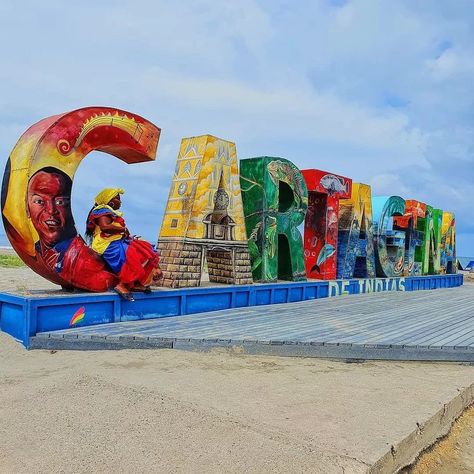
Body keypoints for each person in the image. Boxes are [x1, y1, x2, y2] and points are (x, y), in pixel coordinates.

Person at [86, 188, 161, 300]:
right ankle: (121, 284)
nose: (120, 202)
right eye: (117, 199)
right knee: (132, 254)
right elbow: (105, 227)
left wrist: (125, 233)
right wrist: (122, 229)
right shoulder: (102, 211)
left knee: (143, 247)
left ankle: (135, 283)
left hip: (116, 241)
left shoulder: (111, 212)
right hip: (106, 244)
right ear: (110, 200)